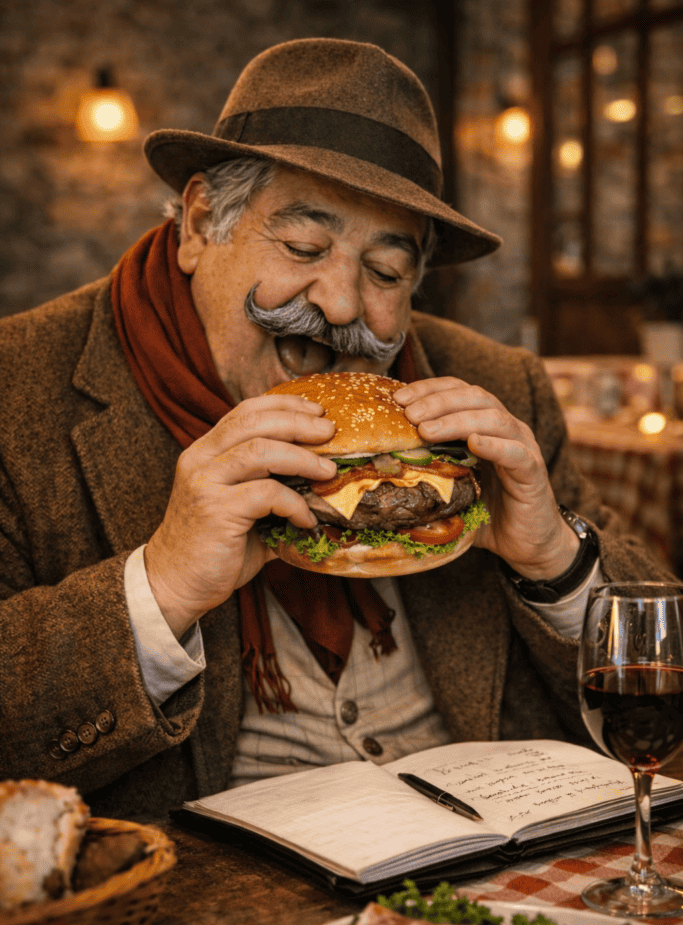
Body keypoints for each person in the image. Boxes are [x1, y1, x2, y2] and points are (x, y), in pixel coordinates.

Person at [0, 39, 670, 818]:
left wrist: (553, 560)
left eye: (385, 271)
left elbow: (657, 667)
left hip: (485, 859)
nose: (343, 304)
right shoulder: (19, 388)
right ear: (198, 222)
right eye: (303, 246)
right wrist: (160, 587)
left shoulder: (496, 384)